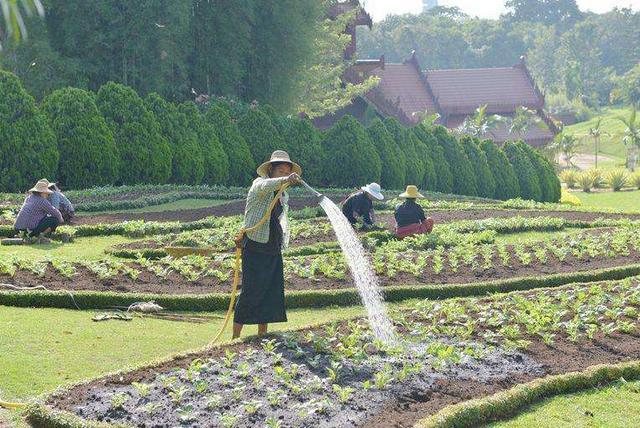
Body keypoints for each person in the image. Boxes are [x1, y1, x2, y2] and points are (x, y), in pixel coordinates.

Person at [233, 150, 301, 339]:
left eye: (287, 171)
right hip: (255, 246)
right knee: (251, 292)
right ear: (271, 170)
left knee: (270, 293)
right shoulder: (259, 184)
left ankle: (263, 336)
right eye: (281, 171)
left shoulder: (283, 195)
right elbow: (265, 185)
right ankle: (234, 338)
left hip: (272, 246)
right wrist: (284, 179)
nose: (284, 175)